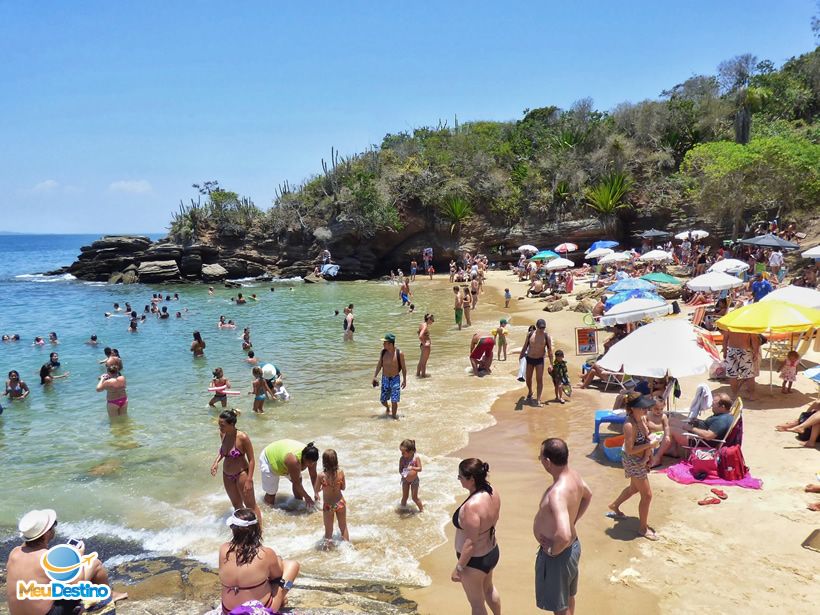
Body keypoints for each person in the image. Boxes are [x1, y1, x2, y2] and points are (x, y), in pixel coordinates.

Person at [6, 508, 120, 615]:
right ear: (46, 533)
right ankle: (108, 596)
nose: (55, 528)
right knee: (95, 564)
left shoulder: (14, 553)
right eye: (53, 525)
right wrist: (77, 556)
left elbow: (35, 566)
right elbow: (76, 586)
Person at [533, 438, 592, 614]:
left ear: (548, 462)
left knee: (559, 607)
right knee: (567, 597)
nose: (540, 460)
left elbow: (564, 535)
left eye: (540, 457)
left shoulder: (557, 493)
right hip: (572, 548)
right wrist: (573, 520)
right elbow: (588, 495)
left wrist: (552, 551)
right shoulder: (574, 475)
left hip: (559, 555)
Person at [218, 508, 299, 614]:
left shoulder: (223, 549)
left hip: (228, 609)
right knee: (292, 565)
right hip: (258, 610)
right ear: (256, 528)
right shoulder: (265, 553)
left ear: (233, 529)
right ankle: (281, 598)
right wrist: (277, 560)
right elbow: (277, 576)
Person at [451, 459, 501, 615]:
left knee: (477, 604)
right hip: (491, 552)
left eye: (460, 477)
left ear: (471, 479)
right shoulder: (492, 491)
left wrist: (459, 568)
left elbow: (470, 543)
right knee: (489, 589)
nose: (459, 479)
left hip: (474, 561)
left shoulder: (471, 507)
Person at [607, 394, 660, 541]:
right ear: (632, 409)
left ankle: (614, 505)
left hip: (641, 458)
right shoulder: (629, 425)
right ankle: (643, 529)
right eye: (642, 407)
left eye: (646, 407)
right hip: (632, 460)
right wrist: (649, 446)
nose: (645, 409)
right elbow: (630, 450)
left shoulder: (642, 419)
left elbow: (649, 435)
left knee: (634, 488)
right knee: (647, 495)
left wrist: (649, 455)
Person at [211, 409, 262, 525]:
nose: (219, 427)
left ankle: (258, 531)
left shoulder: (243, 437)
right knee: (236, 505)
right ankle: (243, 531)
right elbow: (223, 451)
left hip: (242, 474)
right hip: (227, 475)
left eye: (222, 425)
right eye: (219, 424)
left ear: (232, 424)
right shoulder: (222, 434)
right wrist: (216, 462)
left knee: (250, 505)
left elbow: (252, 460)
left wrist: (249, 479)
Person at [259, 440, 319, 508]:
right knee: (271, 494)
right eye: (309, 462)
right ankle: (266, 511)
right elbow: (296, 483)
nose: (311, 465)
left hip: (283, 456)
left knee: (299, 482)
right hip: (269, 459)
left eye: (313, 462)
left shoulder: (312, 458)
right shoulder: (294, 461)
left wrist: (316, 492)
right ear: (303, 457)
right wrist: (307, 498)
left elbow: (313, 476)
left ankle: (297, 505)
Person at [670, 393, 735, 452]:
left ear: (722, 407)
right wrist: (698, 422)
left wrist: (691, 428)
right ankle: (672, 449)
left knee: (671, 429)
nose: (711, 405)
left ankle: (660, 456)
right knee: (671, 420)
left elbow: (708, 436)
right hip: (698, 435)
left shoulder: (722, 421)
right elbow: (708, 426)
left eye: (714, 404)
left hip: (700, 441)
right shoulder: (724, 415)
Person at [313, 449, 349, 546]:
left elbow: (316, 490)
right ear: (336, 460)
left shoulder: (321, 476)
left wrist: (319, 491)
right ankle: (347, 547)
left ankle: (328, 552)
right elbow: (343, 488)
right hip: (340, 503)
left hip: (329, 506)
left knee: (328, 531)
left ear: (324, 462)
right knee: (343, 527)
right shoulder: (341, 472)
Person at [372, 333, 406, 419]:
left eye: (385, 343)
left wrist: (404, 380)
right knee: (383, 400)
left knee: (394, 400)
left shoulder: (399, 353)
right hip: (385, 379)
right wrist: (375, 376)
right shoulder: (383, 352)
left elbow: (404, 368)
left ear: (390, 344)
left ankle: (394, 417)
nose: (383, 344)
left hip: (395, 379)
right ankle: (387, 407)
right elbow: (379, 365)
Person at [521, 319, 554, 407]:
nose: (542, 329)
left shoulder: (546, 336)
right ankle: (530, 391)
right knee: (528, 378)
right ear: (537, 327)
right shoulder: (530, 334)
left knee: (539, 379)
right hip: (529, 359)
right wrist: (520, 358)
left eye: (543, 328)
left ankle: (538, 399)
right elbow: (525, 347)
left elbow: (550, 351)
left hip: (539, 360)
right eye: (540, 328)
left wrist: (551, 364)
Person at [723, 331, 761, 398]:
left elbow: (725, 339)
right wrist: (756, 352)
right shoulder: (747, 325)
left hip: (731, 350)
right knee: (749, 375)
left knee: (732, 375)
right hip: (744, 350)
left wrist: (725, 351)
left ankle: (735, 394)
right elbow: (754, 339)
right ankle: (752, 395)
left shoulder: (729, 324)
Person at [399, 439, 423, 512]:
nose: (402, 454)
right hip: (405, 480)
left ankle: (422, 510)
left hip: (414, 480)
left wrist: (412, 467)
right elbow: (400, 469)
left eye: (403, 452)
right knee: (404, 497)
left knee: (414, 497)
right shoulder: (402, 459)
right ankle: (402, 510)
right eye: (401, 452)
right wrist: (402, 474)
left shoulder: (416, 458)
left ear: (411, 452)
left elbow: (420, 469)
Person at [417, 313, 434, 378]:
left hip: (422, 346)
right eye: (432, 319)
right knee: (423, 363)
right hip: (425, 347)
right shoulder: (425, 326)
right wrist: (425, 343)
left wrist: (423, 343)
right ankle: (423, 377)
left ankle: (418, 375)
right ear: (429, 319)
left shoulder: (422, 324)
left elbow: (420, 335)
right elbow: (420, 336)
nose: (433, 321)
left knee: (421, 362)